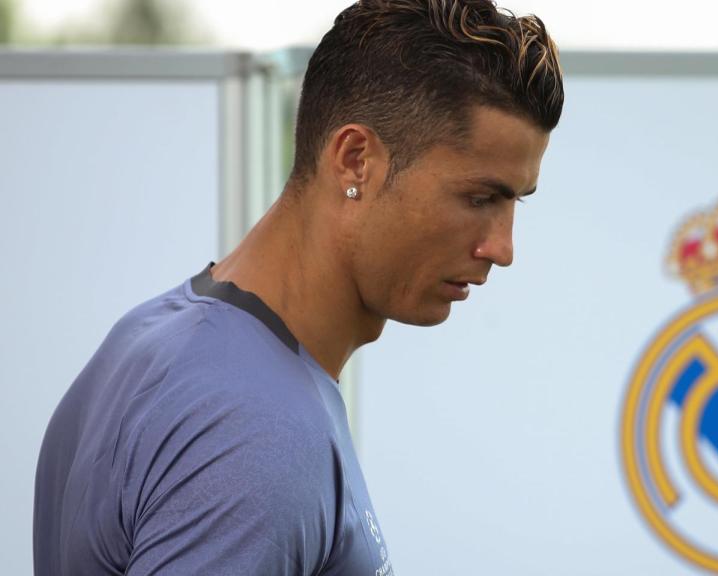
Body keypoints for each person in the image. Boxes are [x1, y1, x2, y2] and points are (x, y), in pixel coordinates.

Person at [32, 0, 564, 573]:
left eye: (515, 202)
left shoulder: (154, 336)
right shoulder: (251, 430)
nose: (501, 249)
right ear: (356, 160)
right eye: (480, 198)